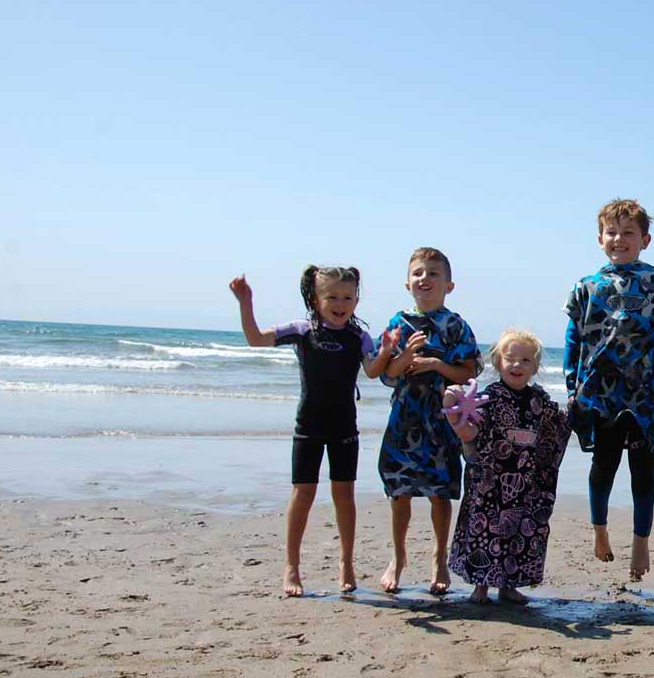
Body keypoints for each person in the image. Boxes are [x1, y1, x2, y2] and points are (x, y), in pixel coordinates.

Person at [565, 198, 654, 581]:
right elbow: (574, 338)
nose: (619, 239)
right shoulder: (588, 287)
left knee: (643, 467)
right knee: (604, 464)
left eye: (628, 233)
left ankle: (641, 542)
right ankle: (600, 529)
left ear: (645, 239)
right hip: (601, 390)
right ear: (600, 239)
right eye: (612, 232)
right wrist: (570, 386)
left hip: (648, 392)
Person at [229, 266, 390, 596]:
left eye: (348, 297)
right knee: (303, 494)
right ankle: (292, 567)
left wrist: (387, 349)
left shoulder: (358, 337)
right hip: (309, 426)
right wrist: (246, 302)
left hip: (345, 425)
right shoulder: (302, 330)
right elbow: (255, 339)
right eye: (331, 296)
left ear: (357, 300)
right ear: (315, 299)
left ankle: (346, 563)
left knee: (344, 495)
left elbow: (373, 371)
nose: (340, 303)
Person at [377, 247, 482, 595]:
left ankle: (440, 557)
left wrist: (436, 365)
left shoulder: (455, 325)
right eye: (419, 273)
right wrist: (405, 356)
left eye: (434, 273)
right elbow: (388, 375)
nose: (425, 279)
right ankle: (399, 556)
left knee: (440, 494)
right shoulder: (398, 324)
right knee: (400, 492)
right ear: (408, 283)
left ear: (449, 285)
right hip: (404, 418)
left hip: (441, 421)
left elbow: (468, 372)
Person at [445, 329, 570, 605]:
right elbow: (469, 431)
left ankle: (509, 586)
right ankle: (481, 585)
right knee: (485, 530)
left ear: (535, 367)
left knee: (521, 531)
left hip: (526, 482)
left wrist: (579, 409)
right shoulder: (489, 398)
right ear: (498, 362)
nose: (517, 365)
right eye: (511, 358)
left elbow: (559, 427)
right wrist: (454, 410)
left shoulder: (540, 401)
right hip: (490, 481)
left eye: (526, 360)